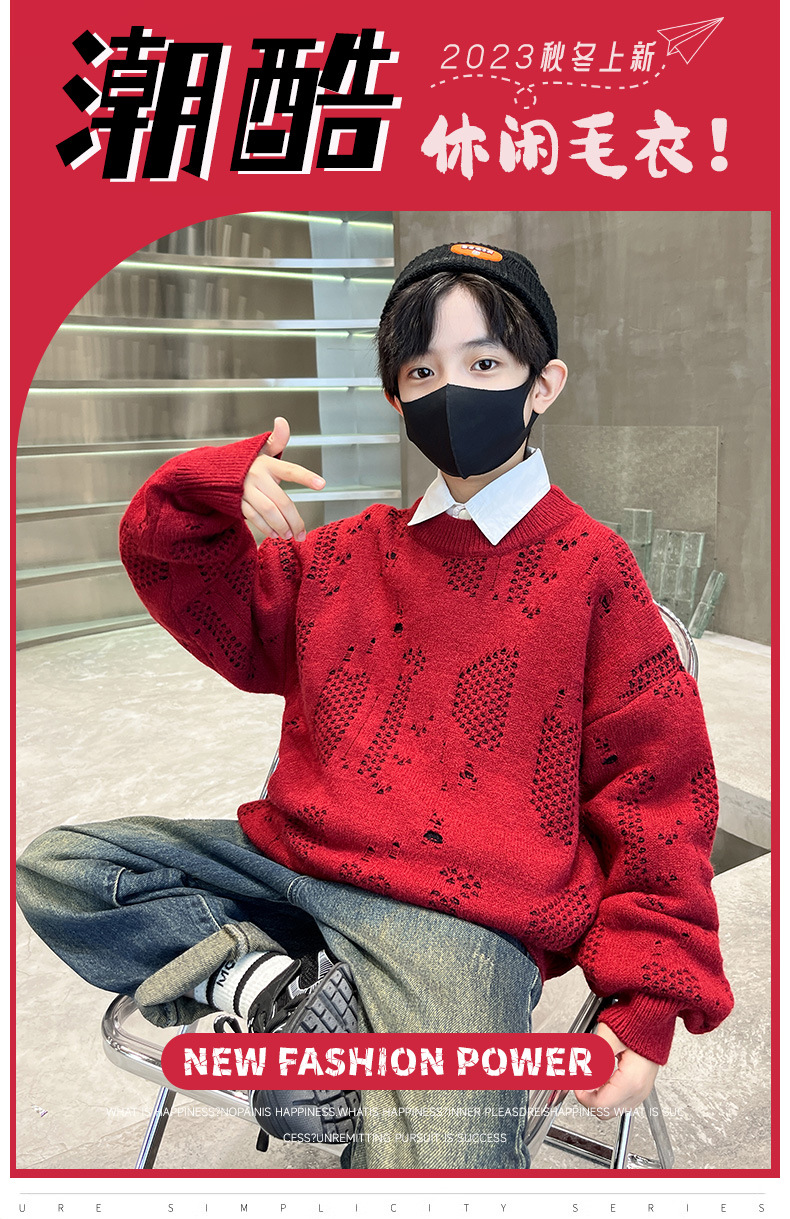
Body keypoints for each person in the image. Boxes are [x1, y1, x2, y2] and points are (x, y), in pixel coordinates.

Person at [16, 241, 734, 1171]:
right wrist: (206, 495)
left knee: (446, 1167)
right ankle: (276, 993)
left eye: (485, 364)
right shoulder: (345, 554)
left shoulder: (594, 569)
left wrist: (647, 1001)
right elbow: (191, 587)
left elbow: (658, 791)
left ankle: (320, 1024)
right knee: (63, 866)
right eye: (422, 371)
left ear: (543, 384)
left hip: (462, 919)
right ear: (397, 398)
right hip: (293, 868)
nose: (452, 390)